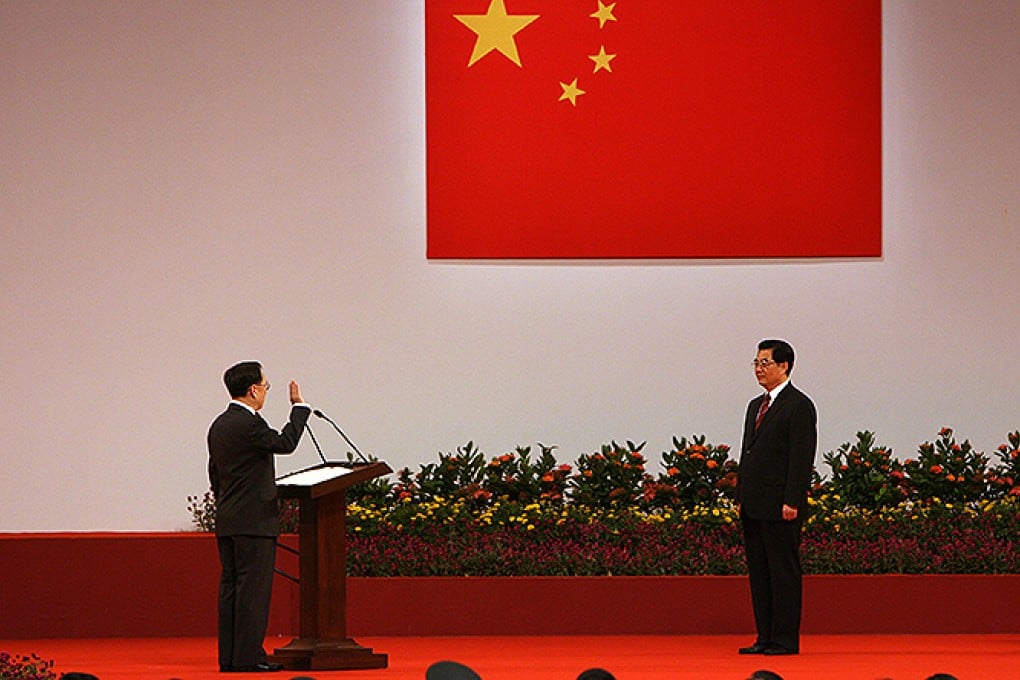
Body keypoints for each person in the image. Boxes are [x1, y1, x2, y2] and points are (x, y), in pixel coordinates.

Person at [207, 361, 311, 673]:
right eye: (265, 386)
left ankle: (231, 658)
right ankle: (249, 658)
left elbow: (215, 474)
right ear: (253, 390)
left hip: (229, 519)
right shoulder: (250, 424)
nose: (266, 392)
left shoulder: (219, 425)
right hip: (254, 522)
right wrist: (299, 408)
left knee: (232, 590)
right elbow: (285, 443)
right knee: (253, 591)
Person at [736, 339, 817, 656]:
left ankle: (784, 640)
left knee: (783, 572)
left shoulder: (799, 405)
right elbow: (748, 452)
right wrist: (741, 493)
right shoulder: (755, 405)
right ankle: (765, 636)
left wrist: (792, 500)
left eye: (765, 362)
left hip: (781, 505)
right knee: (760, 572)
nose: (759, 368)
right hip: (754, 503)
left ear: (784, 366)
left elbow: (801, 457)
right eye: (756, 362)